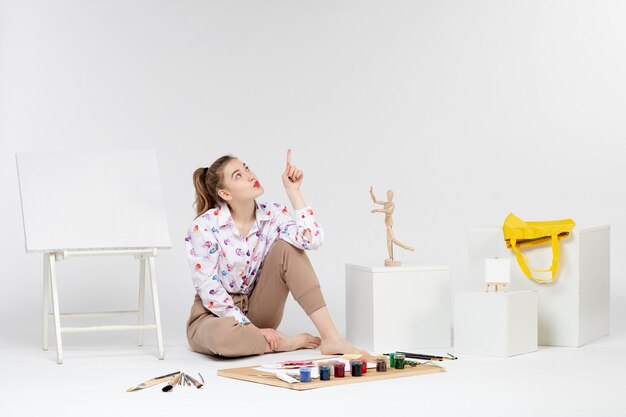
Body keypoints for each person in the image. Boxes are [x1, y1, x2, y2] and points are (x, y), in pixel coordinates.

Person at [185, 149, 365, 357]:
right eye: (238, 176)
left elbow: (312, 240)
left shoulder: (274, 215)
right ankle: (284, 343)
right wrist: (252, 330)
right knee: (224, 338)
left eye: (246, 168)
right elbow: (209, 289)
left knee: (288, 248)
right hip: (214, 317)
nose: (250, 175)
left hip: (259, 309)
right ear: (225, 194)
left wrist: (294, 192)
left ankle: (332, 338)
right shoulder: (204, 227)